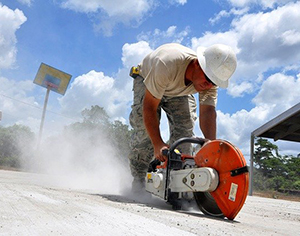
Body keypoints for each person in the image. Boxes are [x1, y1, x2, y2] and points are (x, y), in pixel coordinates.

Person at [128, 43, 237, 192]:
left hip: (179, 90)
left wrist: (211, 146)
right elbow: (149, 108)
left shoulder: (210, 80)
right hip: (148, 79)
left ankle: (176, 184)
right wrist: (158, 144)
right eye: (208, 80)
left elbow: (207, 112)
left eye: (214, 83)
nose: (209, 86)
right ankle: (139, 180)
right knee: (145, 133)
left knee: (185, 131)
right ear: (198, 64)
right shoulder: (166, 64)